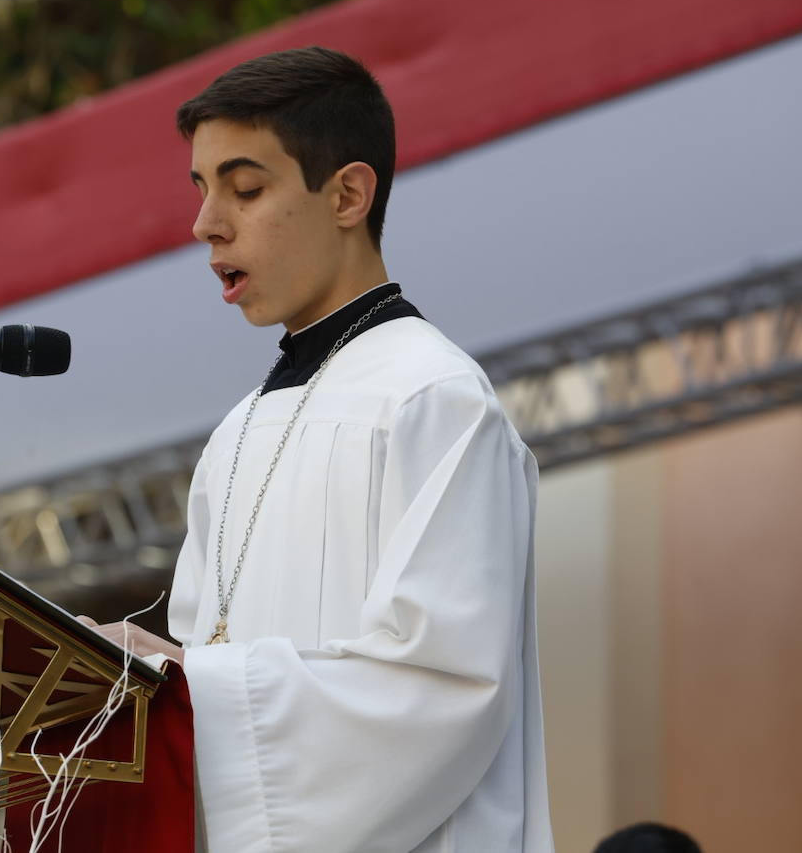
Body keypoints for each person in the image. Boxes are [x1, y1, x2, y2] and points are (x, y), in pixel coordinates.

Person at [85, 46, 553, 852]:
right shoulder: (238, 432)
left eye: (246, 188)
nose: (205, 225)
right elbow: (200, 670)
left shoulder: (432, 400)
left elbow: (444, 685)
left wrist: (194, 683)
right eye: (201, 191)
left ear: (347, 194)